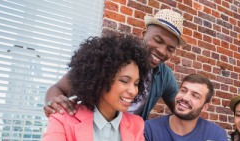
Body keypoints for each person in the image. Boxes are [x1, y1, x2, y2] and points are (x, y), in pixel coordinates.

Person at [31, 32, 227, 141]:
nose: (133, 91)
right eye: (125, 81)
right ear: (100, 79)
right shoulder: (65, 118)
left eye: (136, 83)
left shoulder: (135, 124)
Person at [43, 9, 184, 120]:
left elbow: (181, 111)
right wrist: (54, 103)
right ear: (144, 33)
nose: (162, 51)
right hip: (90, 133)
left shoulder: (164, 76)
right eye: (158, 40)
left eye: (170, 49)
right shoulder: (112, 60)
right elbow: (57, 88)